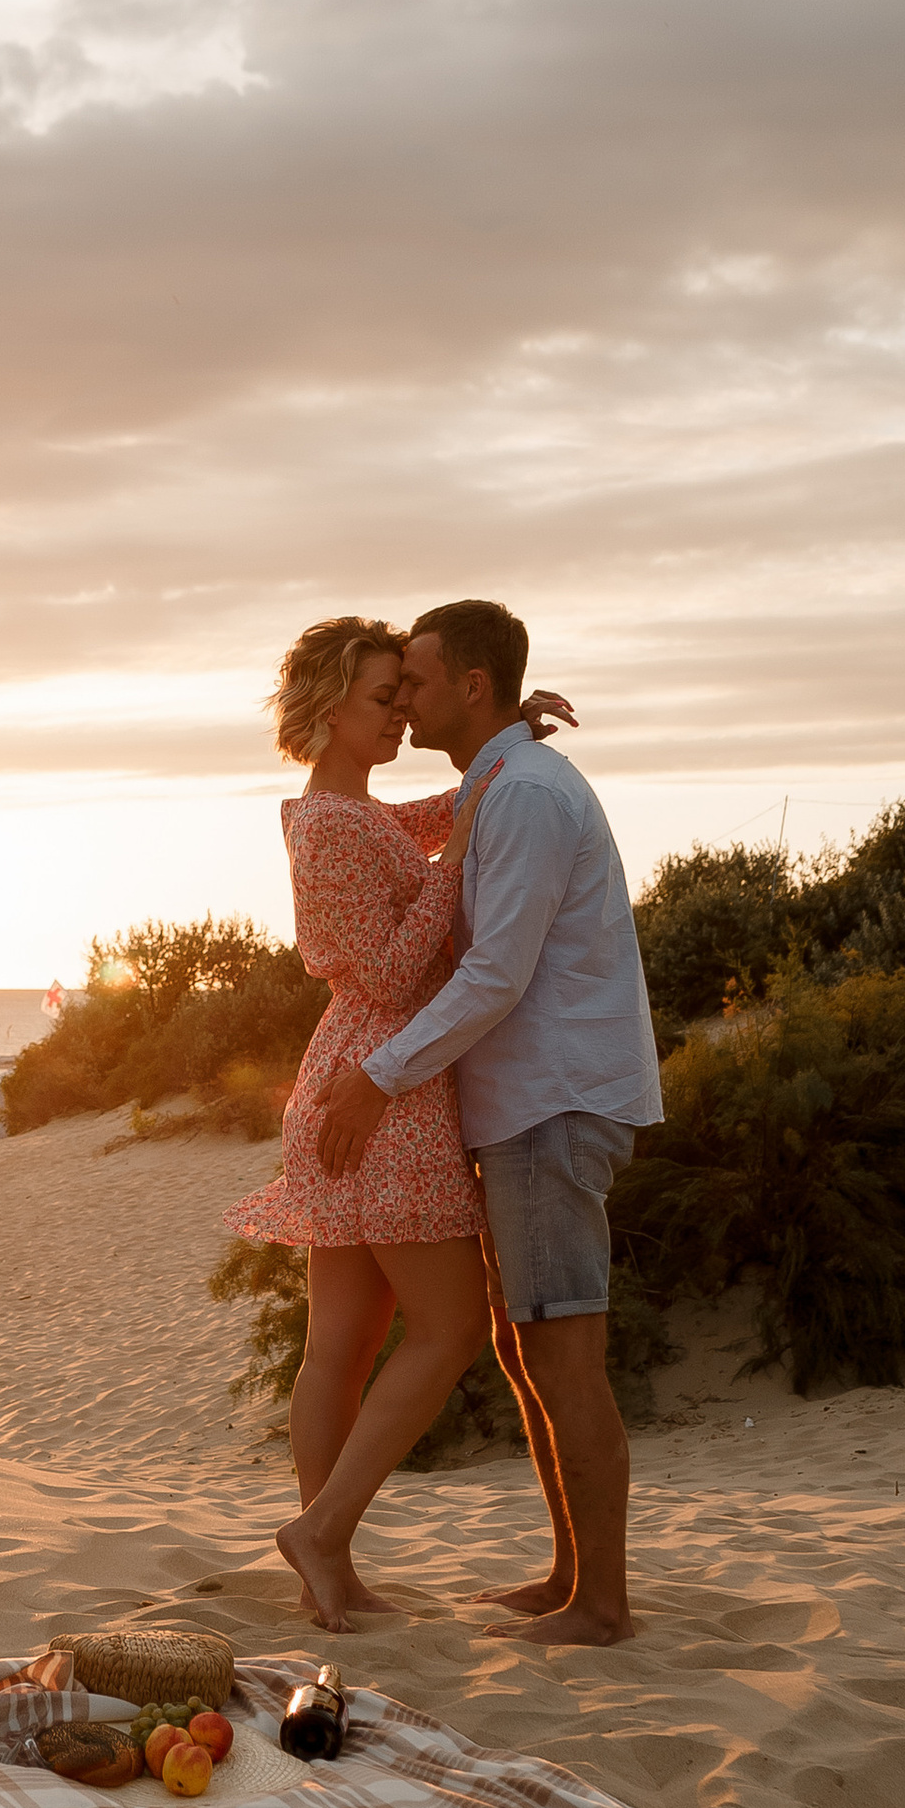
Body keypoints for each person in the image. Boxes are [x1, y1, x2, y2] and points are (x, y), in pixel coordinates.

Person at [312, 598, 663, 1648]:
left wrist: (376, 1076)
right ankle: (568, 1579)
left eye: (413, 678)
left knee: (563, 1356)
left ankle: (599, 1606)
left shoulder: (524, 797)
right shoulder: (499, 782)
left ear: (470, 685)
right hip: (522, 1108)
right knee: (525, 1351)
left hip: (553, 1106)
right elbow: (428, 827)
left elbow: (494, 974)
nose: (403, 695)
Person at [221, 617, 573, 1633]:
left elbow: (421, 821)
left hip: (361, 1078)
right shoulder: (330, 822)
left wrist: (507, 747)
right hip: (383, 1089)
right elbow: (391, 972)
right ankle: (323, 1538)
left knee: (341, 1341)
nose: (400, 712)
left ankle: (323, 1568)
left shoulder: (347, 811)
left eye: (402, 693)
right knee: (452, 1325)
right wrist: (459, 859)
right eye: (384, 696)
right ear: (331, 705)